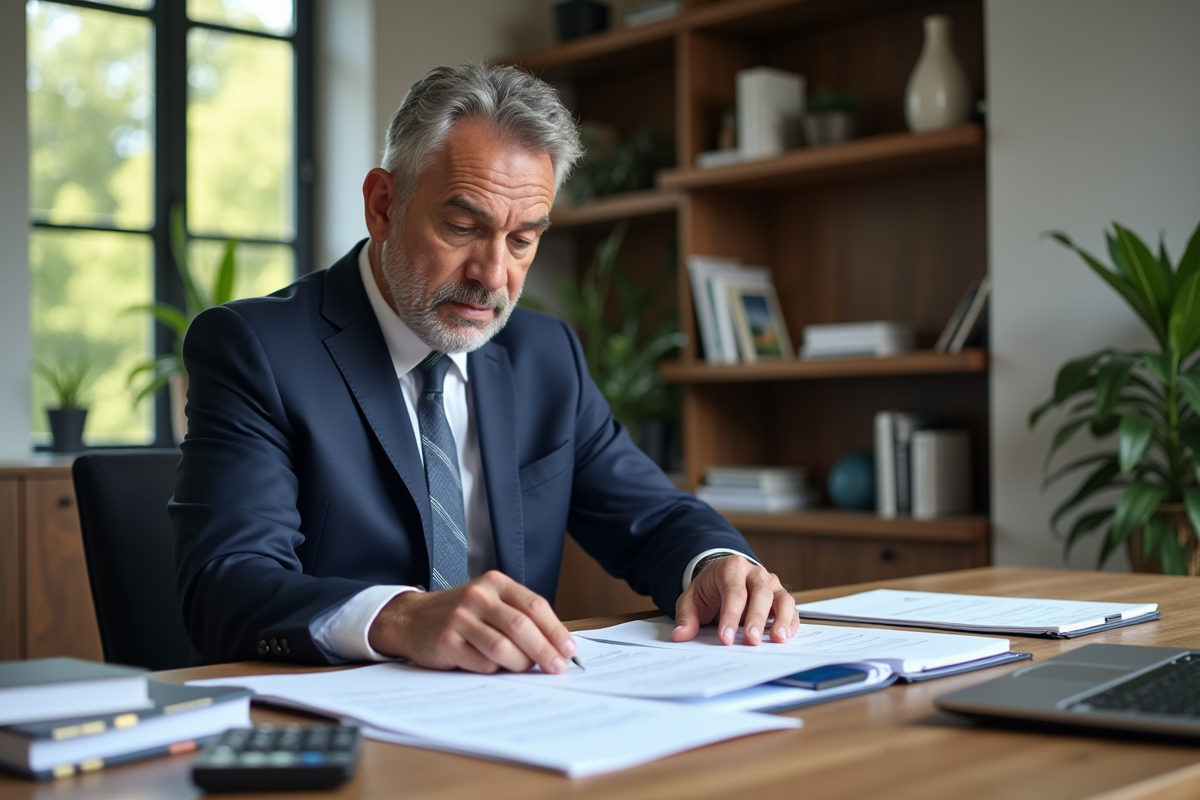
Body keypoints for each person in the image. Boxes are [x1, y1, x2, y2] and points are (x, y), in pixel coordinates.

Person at [171, 63, 797, 673]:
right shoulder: (257, 348)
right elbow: (226, 585)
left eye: (523, 239)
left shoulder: (546, 356)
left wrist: (713, 563)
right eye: (464, 226)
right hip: (329, 723)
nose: (493, 276)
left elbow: (653, 517)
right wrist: (402, 619)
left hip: (513, 721)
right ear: (383, 205)